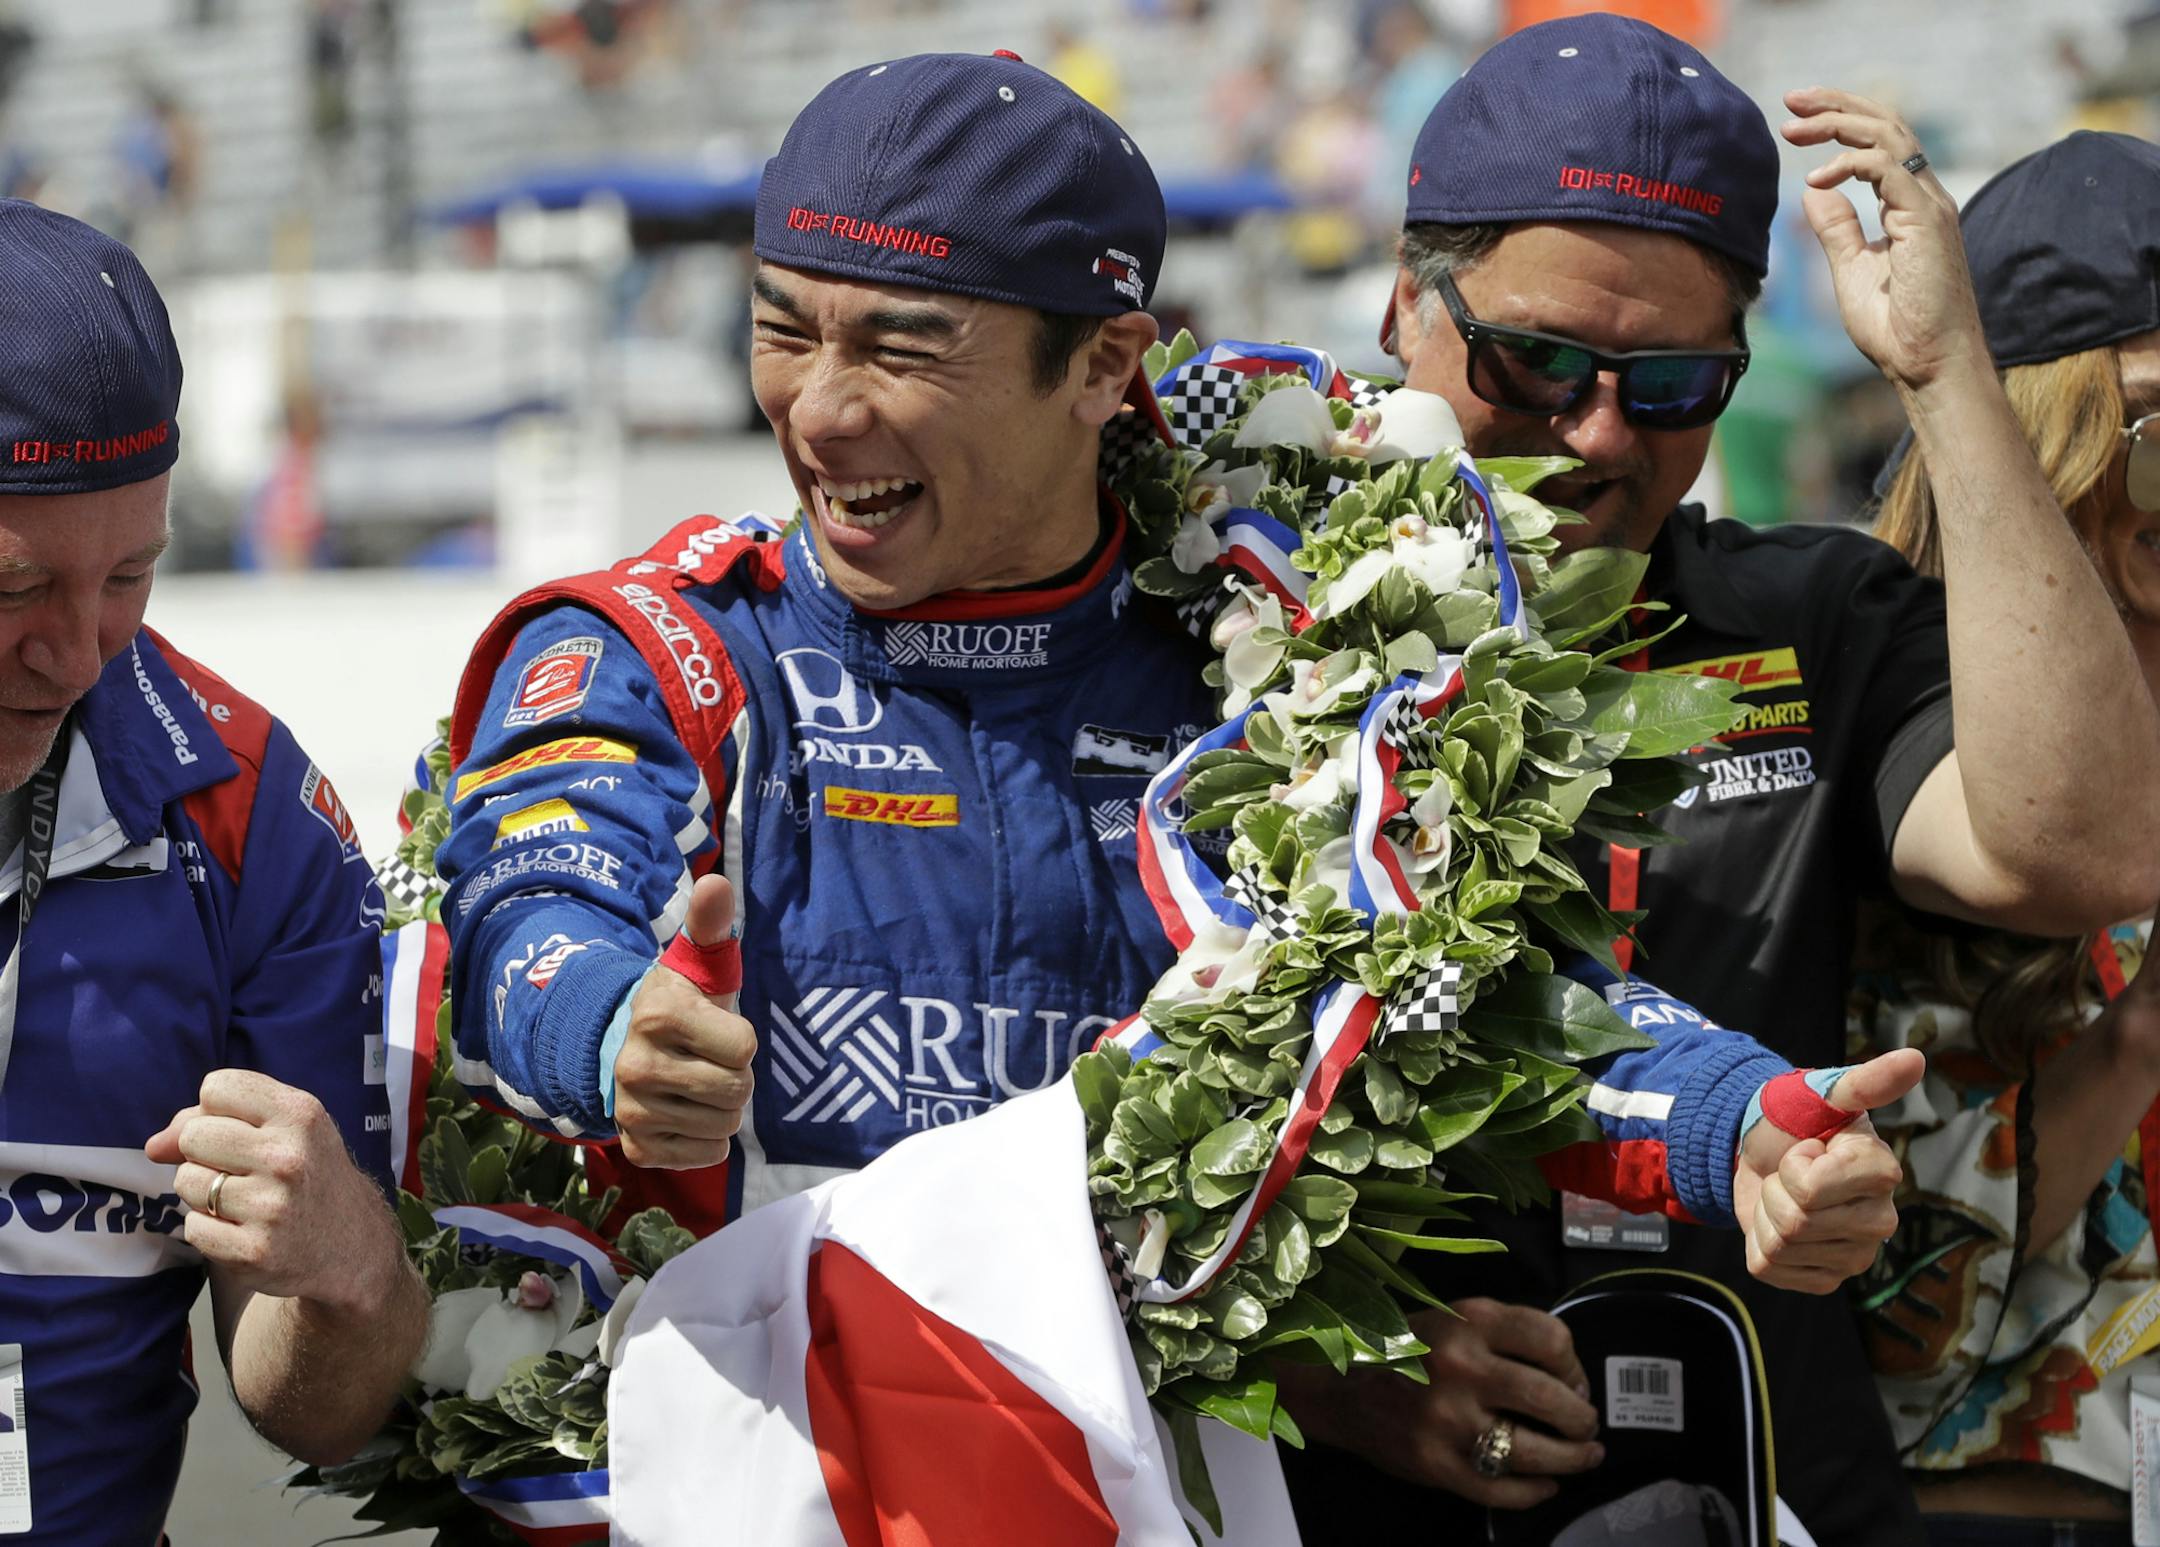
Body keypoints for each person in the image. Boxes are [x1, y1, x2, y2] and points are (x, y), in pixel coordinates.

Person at [437, 49, 1914, 1291]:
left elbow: (1461, 1001)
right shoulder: (671, 654)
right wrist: (609, 1022)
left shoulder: (1287, 675)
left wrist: (1746, 1125)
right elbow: (529, 901)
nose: (819, 412)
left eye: (901, 349)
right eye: (783, 330)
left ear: (1100, 368)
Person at [1274, 16, 2160, 1547]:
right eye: (1534, 360)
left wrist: (1947, 372)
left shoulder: (1814, 624)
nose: (1596, 430)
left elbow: (2078, 849)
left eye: (1673, 380)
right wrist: (1326, 1364)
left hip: (1772, 1490)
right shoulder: (1221, 619)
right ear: (1406, 310)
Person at [0, 199, 426, 1546]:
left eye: (130, 574)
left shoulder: (250, 817)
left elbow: (316, 1410)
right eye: (15, 590)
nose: (77, 653)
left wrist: (352, 1268)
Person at [1857, 130, 2160, 1547]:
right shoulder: (1912, 751)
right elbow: (1905, 1310)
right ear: (2058, 447)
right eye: (2159, 433)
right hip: (2012, 1513)